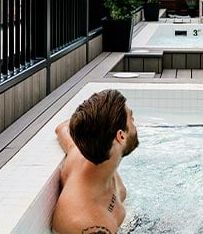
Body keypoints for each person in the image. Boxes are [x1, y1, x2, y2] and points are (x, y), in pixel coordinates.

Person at [51, 89, 139, 234]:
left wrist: (94, 120)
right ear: (121, 136)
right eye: (132, 119)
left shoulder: (81, 153)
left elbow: (62, 129)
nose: (135, 125)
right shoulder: (91, 225)